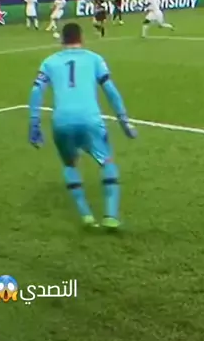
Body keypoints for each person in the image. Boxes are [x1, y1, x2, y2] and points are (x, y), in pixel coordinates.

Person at [28, 22, 137, 229]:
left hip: (61, 121)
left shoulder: (49, 62)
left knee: (70, 164)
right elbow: (110, 90)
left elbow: (36, 91)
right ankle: (110, 216)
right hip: (90, 120)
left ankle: (86, 215)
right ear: (82, 38)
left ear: (62, 40)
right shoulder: (94, 58)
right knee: (107, 162)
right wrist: (124, 121)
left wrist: (34, 124)